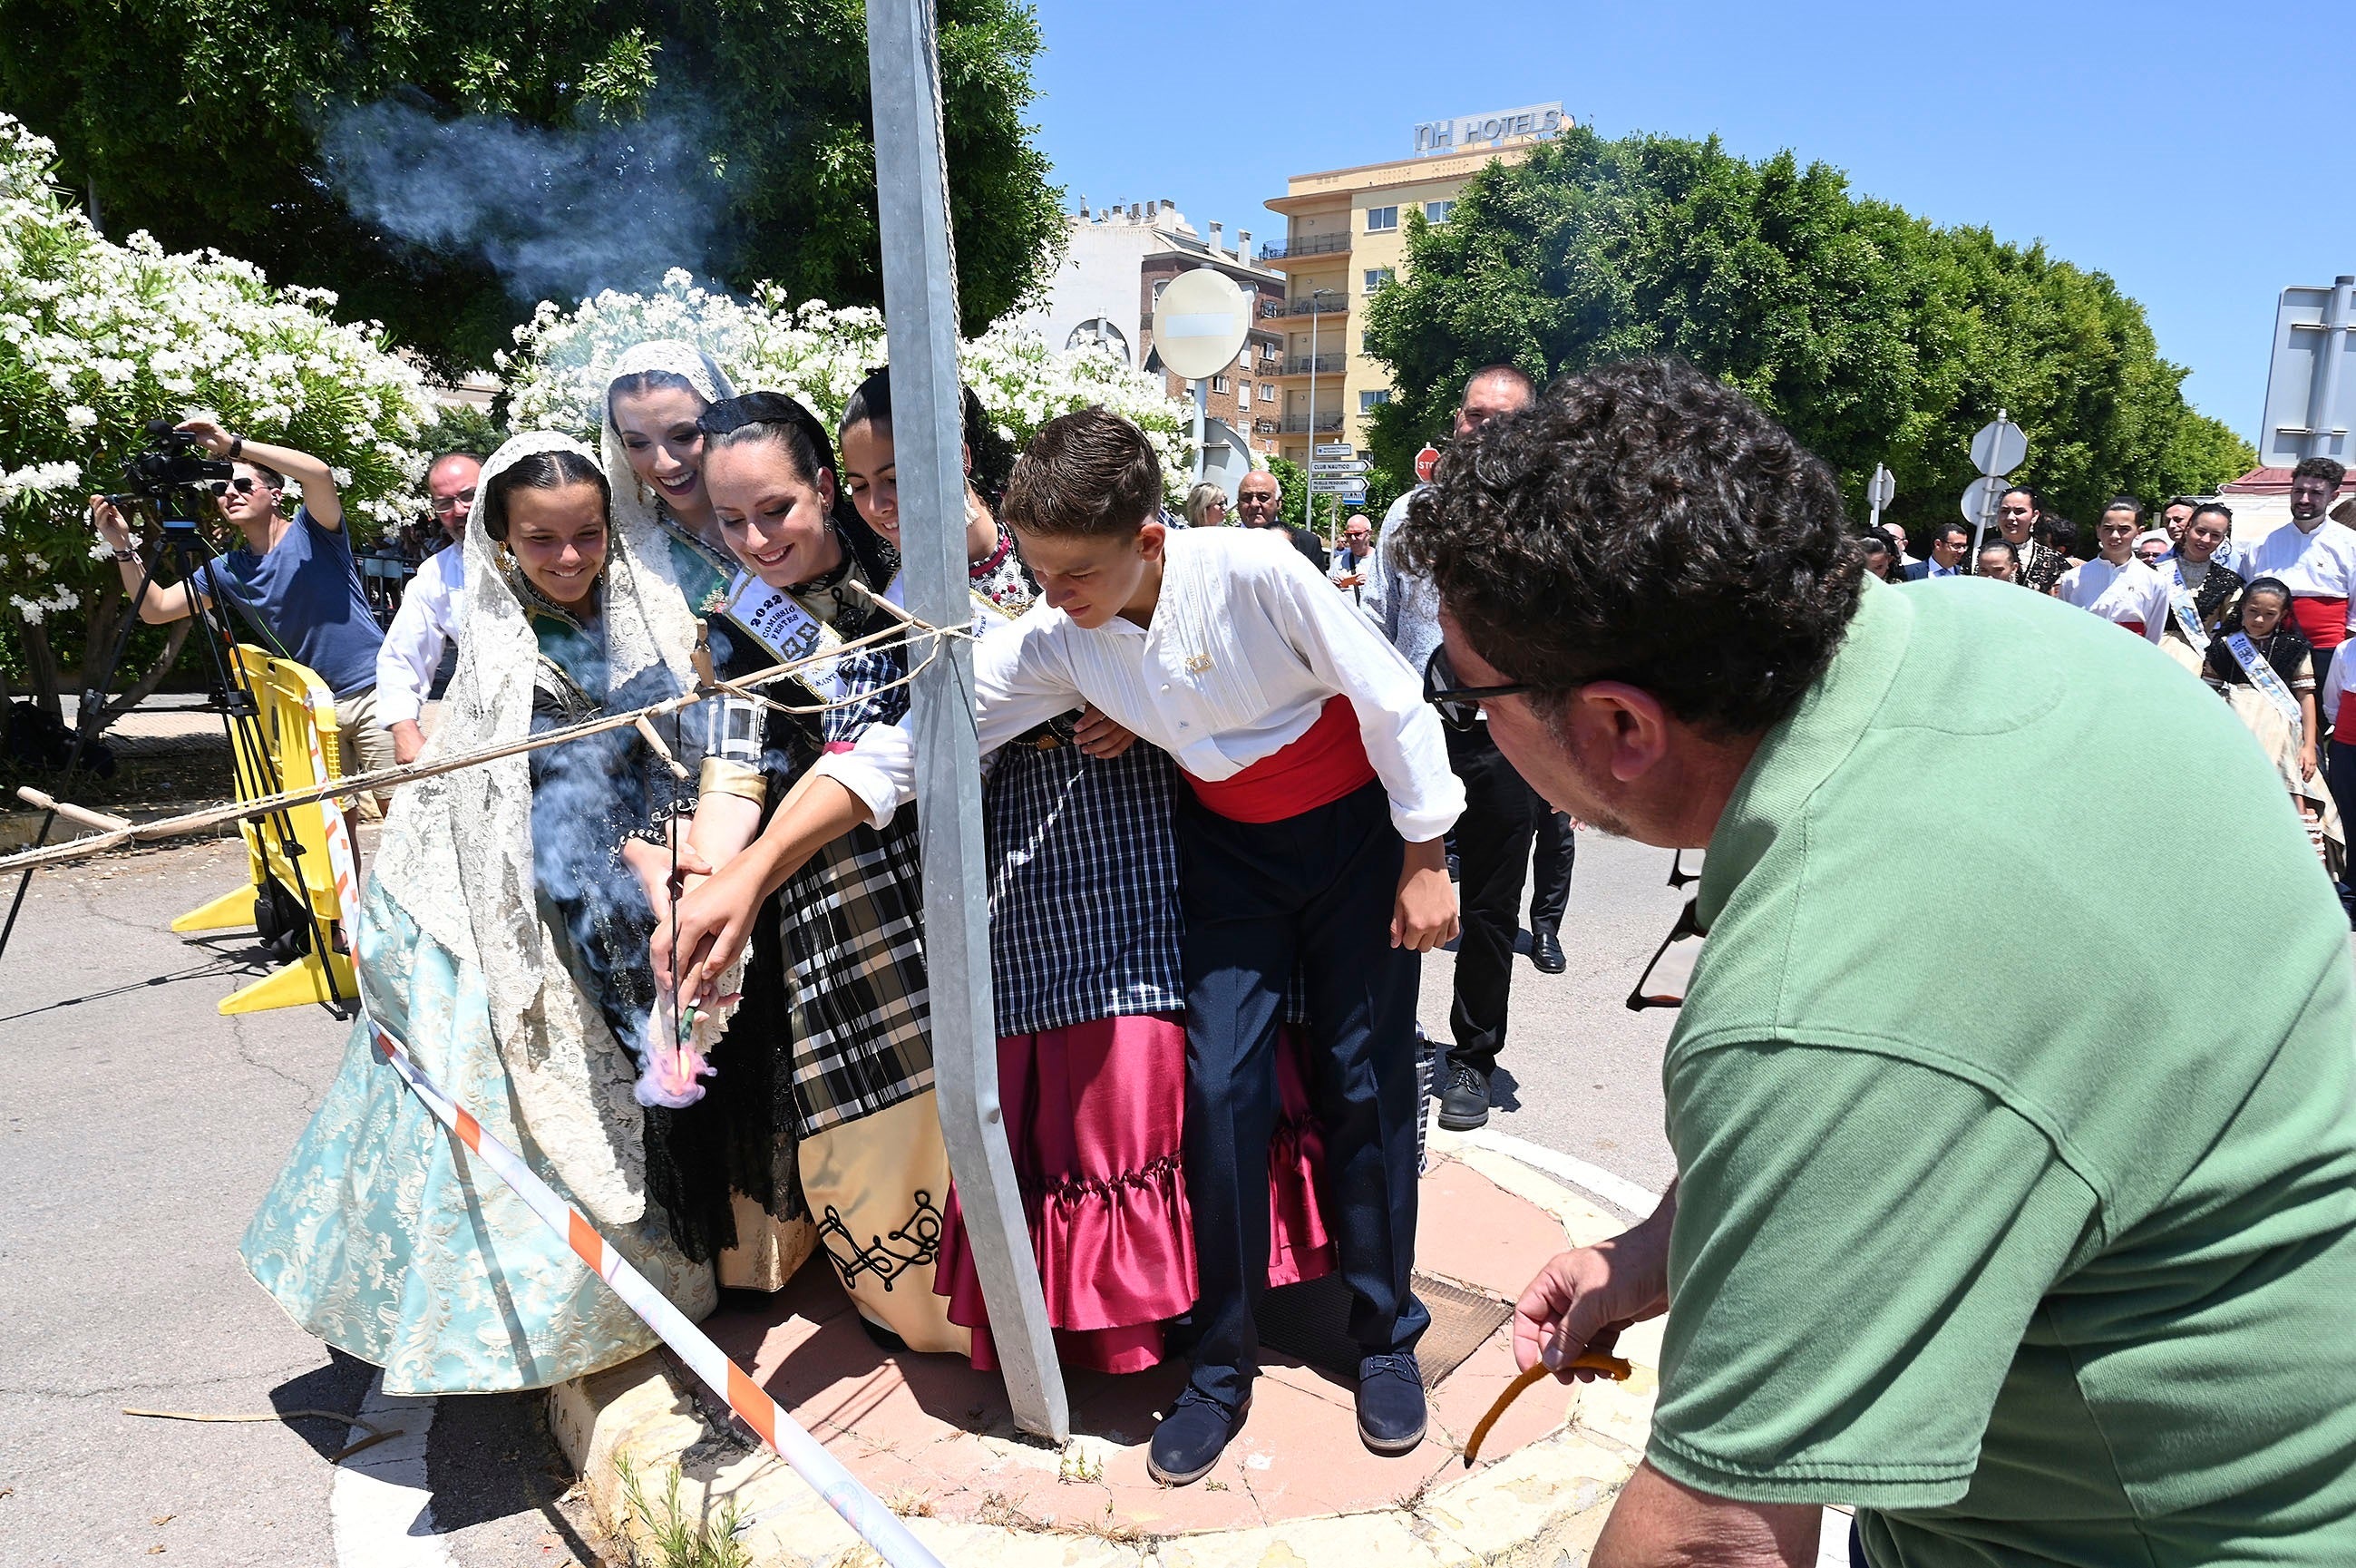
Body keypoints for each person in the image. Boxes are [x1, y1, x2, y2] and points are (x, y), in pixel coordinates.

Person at [1398, 357, 2356, 1568]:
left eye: (1467, 693)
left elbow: (1717, 1540)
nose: (1465, 721)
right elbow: (1937, 1098)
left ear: (1619, 725)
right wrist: (1651, 1253)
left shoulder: (1819, 999)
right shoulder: (1995, 634)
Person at [667, 407, 1464, 1486]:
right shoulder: (1058, 633)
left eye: (1076, 571)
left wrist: (1426, 857)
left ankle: (1386, 1338)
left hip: (1357, 841)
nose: (1055, 596)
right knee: (1220, 1090)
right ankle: (1219, 1369)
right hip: (1233, 857)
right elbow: (903, 751)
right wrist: (750, 875)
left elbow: (1393, 699)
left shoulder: (1258, 568)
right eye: (1039, 572)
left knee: (1361, 1079)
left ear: (1148, 539)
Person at [825, 367, 1333, 1375]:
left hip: (1141, 842)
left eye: (900, 475)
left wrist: (1124, 700)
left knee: (1163, 1079)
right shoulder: (884, 602)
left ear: (960, 457)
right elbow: (905, 743)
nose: (884, 502)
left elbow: (1163, 654)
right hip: (1019, 872)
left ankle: (1203, 1306)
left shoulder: (1052, 548)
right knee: (1066, 1108)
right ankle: (1107, 1318)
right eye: (866, 485)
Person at [239, 433, 719, 1392]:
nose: (570, 557)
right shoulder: (498, 655)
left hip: (654, 880)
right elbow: (532, 800)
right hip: (535, 908)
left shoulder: (648, 615)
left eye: (588, 533)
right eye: (544, 540)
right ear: (503, 540)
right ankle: (554, 1320)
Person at [643, 388, 973, 1353]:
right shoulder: (743, 626)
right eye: (732, 519)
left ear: (827, 489)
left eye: (776, 509)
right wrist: (705, 872)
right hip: (842, 898)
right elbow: (734, 773)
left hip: (960, 873)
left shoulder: (906, 562)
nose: (755, 539)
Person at [1370, 363, 1553, 1126]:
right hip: (1417, 734)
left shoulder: (1553, 519)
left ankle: (1474, 1058)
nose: (1485, 431)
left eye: (1505, 421)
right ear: (1456, 422)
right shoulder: (1408, 516)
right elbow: (1377, 628)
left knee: (1487, 908)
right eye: (1476, 416)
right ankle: (1385, 1037)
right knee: (1393, 891)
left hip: (1505, 741)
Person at [91, 419, 395, 825]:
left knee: (404, 814)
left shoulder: (314, 532)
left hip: (377, 692)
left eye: (243, 485)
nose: (229, 493)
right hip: (313, 705)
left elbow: (319, 473)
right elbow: (156, 609)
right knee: (331, 832)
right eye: (221, 489)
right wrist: (123, 547)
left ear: (276, 494)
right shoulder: (229, 569)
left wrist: (233, 446)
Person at [377, 452, 484, 765]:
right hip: (490, 728)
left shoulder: (546, 544)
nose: (460, 510)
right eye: (445, 503)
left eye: (469, 495)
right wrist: (404, 727)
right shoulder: (434, 575)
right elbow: (402, 657)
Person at [2055, 500, 2169, 643]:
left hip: (2131, 658)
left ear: (2139, 532)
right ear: (2098, 530)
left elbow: (2154, 636)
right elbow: (2066, 627)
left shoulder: (2154, 581)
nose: (2115, 535)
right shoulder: (2073, 578)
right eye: (2108, 528)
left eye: (2124, 529)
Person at [2156, 501, 2245, 677]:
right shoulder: (2155, 572)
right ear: (2188, 528)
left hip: (2196, 665)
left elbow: (2233, 632)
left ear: (2222, 539)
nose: (2205, 540)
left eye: (2215, 535)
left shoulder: (2228, 582)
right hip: (2150, 655)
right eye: (2201, 531)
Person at [1235, 466, 1328, 571]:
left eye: (1263, 497)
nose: (1254, 504)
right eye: (1247, 498)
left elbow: (1315, 586)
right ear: (1238, 503)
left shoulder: (1307, 543)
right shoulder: (1224, 543)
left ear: (1278, 503)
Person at [1329, 511, 1377, 606]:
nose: (1353, 538)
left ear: (1369, 534)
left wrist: (1371, 585)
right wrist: (1333, 586)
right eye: (1349, 535)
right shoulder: (1339, 562)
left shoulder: (1381, 562)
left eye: (1358, 534)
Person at [1900, 521, 1968, 579]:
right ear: (1938, 544)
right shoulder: (1908, 572)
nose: (1961, 551)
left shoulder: (1966, 576)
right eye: (1956, 546)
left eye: (1964, 546)